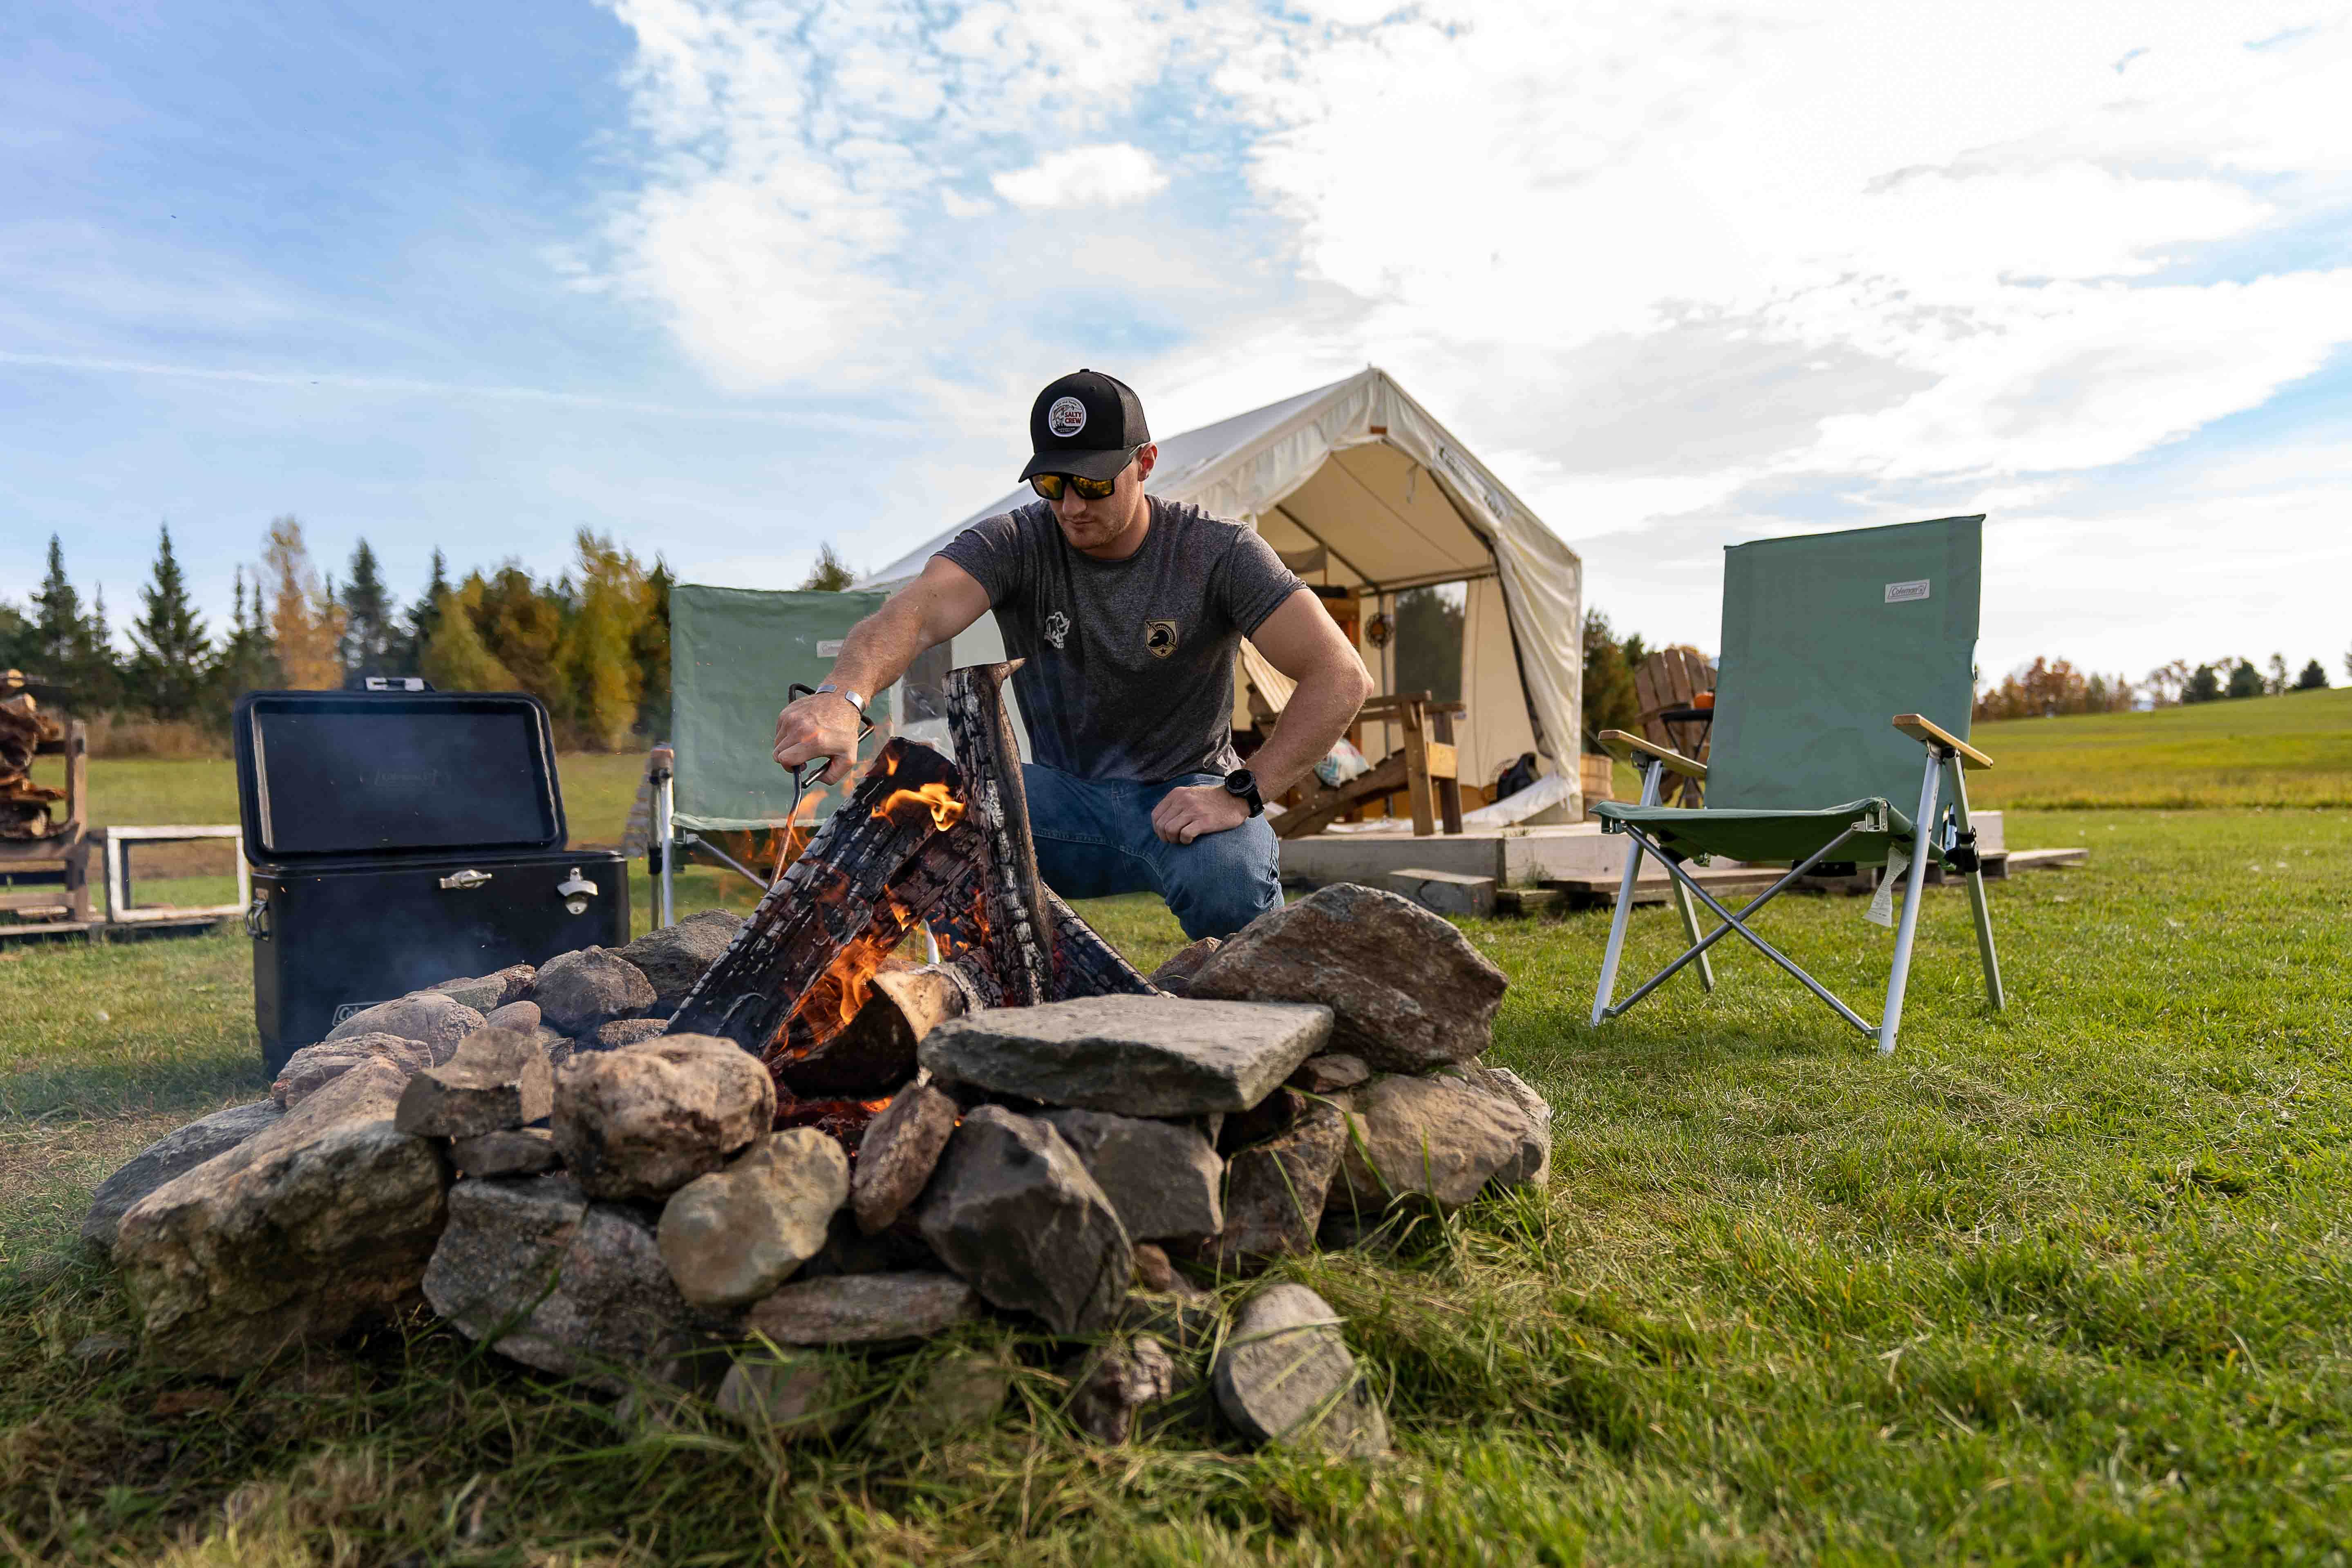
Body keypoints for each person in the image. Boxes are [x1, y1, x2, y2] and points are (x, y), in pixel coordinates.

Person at [771, 369, 1372, 941]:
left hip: (1188, 793)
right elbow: (915, 613)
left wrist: (1241, 793)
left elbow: (1341, 675)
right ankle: (988, 991)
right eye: (1053, 485)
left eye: (1093, 483)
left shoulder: (1219, 552)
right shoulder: (1015, 542)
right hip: (1059, 805)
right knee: (924, 812)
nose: (1072, 507)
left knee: (1229, 886)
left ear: (1146, 463)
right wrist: (843, 695)